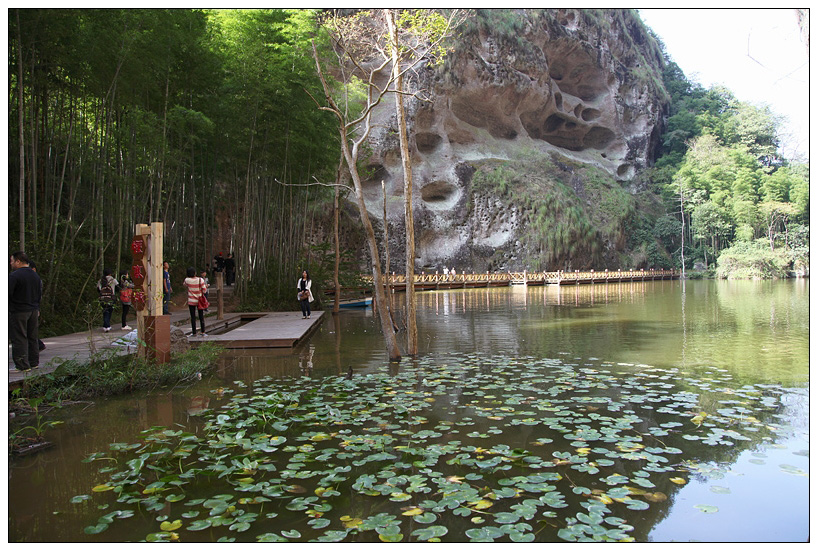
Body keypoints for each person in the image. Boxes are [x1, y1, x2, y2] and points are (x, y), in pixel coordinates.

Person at [9, 251, 42, 371]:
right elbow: (39, 293)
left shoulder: (15, 276)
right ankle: (34, 362)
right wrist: (37, 307)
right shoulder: (35, 275)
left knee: (19, 337)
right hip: (33, 310)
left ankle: (22, 365)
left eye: (12, 261)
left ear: (18, 261)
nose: (11, 264)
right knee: (32, 336)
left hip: (19, 310)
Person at [184, 267, 207, 336]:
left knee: (193, 317)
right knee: (201, 316)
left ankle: (194, 332)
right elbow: (204, 290)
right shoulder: (200, 280)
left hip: (191, 300)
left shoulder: (187, 280)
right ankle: (203, 332)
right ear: (195, 273)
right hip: (199, 300)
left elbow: (184, 285)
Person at [29, 260, 46, 351]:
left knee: (29, 331)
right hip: (30, 307)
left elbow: (38, 296)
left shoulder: (36, 280)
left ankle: (38, 345)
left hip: (31, 308)